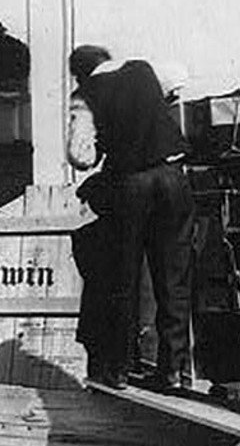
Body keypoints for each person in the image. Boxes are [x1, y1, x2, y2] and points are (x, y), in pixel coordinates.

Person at [66, 45, 194, 391]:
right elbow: (174, 84)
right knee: (173, 279)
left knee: (123, 279)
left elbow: (80, 155)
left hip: (130, 184)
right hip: (173, 176)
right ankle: (173, 371)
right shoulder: (144, 68)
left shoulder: (85, 94)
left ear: (79, 73)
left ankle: (118, 369)